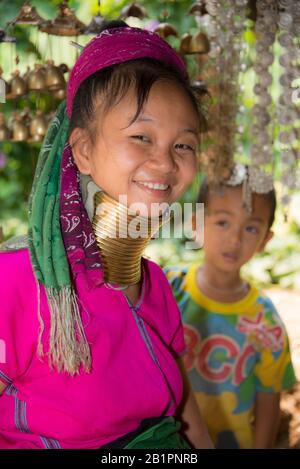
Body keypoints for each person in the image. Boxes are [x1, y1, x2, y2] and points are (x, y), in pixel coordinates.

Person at [0, 22, 212, 449]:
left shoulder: (155, 288)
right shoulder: (17, 281)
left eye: (183, 145)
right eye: (141, 137)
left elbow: (184, 413)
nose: (166, 162)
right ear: (82, 151)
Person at [165, 164, 297, 449]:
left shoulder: (265, 322)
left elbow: (268, 401)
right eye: (223, 222)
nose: (235, 239)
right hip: (164, 444)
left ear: (265, 240)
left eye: (250, 227)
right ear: (196, 223)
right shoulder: (167, 289)